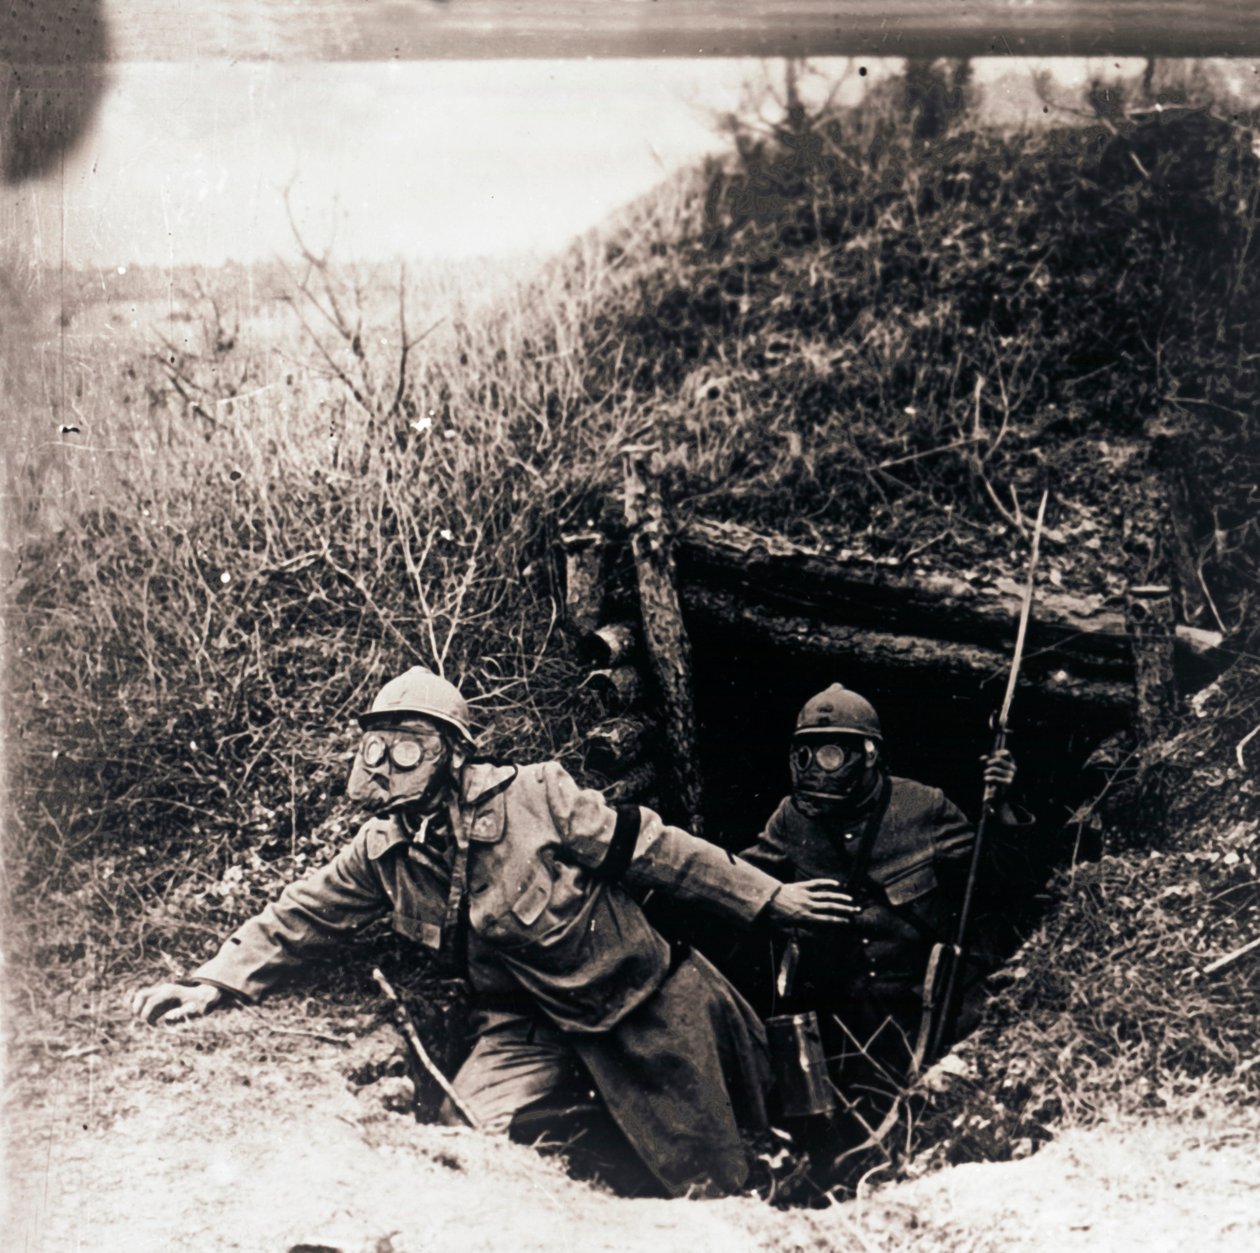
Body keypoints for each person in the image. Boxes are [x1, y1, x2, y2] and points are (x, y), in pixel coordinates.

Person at [132, 666, 850, 1197]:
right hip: (524, 1025)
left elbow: (661, 848)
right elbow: (300, 913)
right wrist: (208, 981)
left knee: (716, 1184)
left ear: (451, 752)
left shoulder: (540, 796)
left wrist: (771, 897)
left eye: (409, 747)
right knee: (458, 1141)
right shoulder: (383, 847)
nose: (388, 765)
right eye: (377, 748)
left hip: (643, 1005)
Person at [736, 683, 1036, 1170]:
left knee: (924, 1126)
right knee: (831, 1142)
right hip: (839, 1018)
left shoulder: (923, 807)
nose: (816, 767)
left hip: (921, 1011)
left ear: (870, 753)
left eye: (832, 753)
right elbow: (740, 882)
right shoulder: (791, 819)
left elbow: (1002, 880)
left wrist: (1002, 805)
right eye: (805, 753)